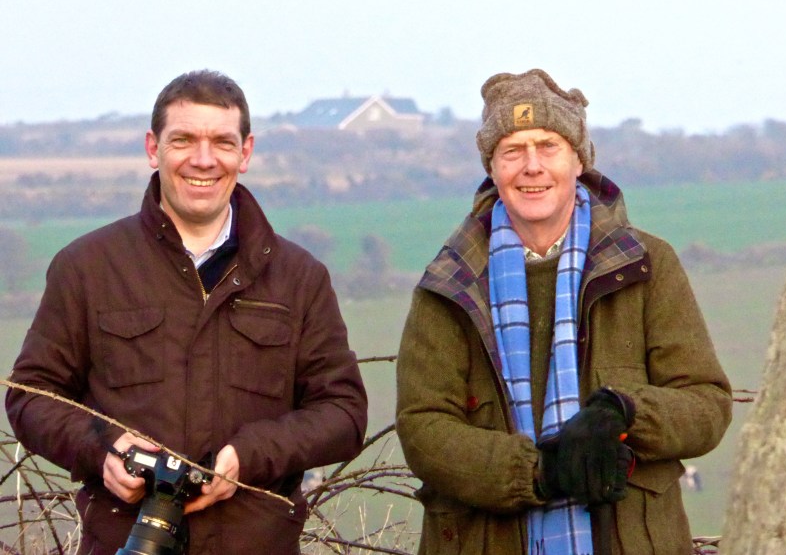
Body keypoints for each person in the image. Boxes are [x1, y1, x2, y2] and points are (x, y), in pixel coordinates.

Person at [5, 70, 368, 554]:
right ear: (153, 149)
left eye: (222, 141)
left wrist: (248, 457)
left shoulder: (298, 277)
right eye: (184, 140)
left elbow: (344, 413)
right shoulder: (87, 268)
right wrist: (105, 449)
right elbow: (31, 397)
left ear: (246, 152)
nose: (203, 159)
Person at [395, 68, 732, 555]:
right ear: (493, 168)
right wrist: (541, 473)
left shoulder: (647, 265)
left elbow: (707, 404)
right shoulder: (450, 284)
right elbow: (424, 430)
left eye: (548, 146)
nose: (532, 167)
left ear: (579, 159)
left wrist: (625, 412)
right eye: (512, 150)